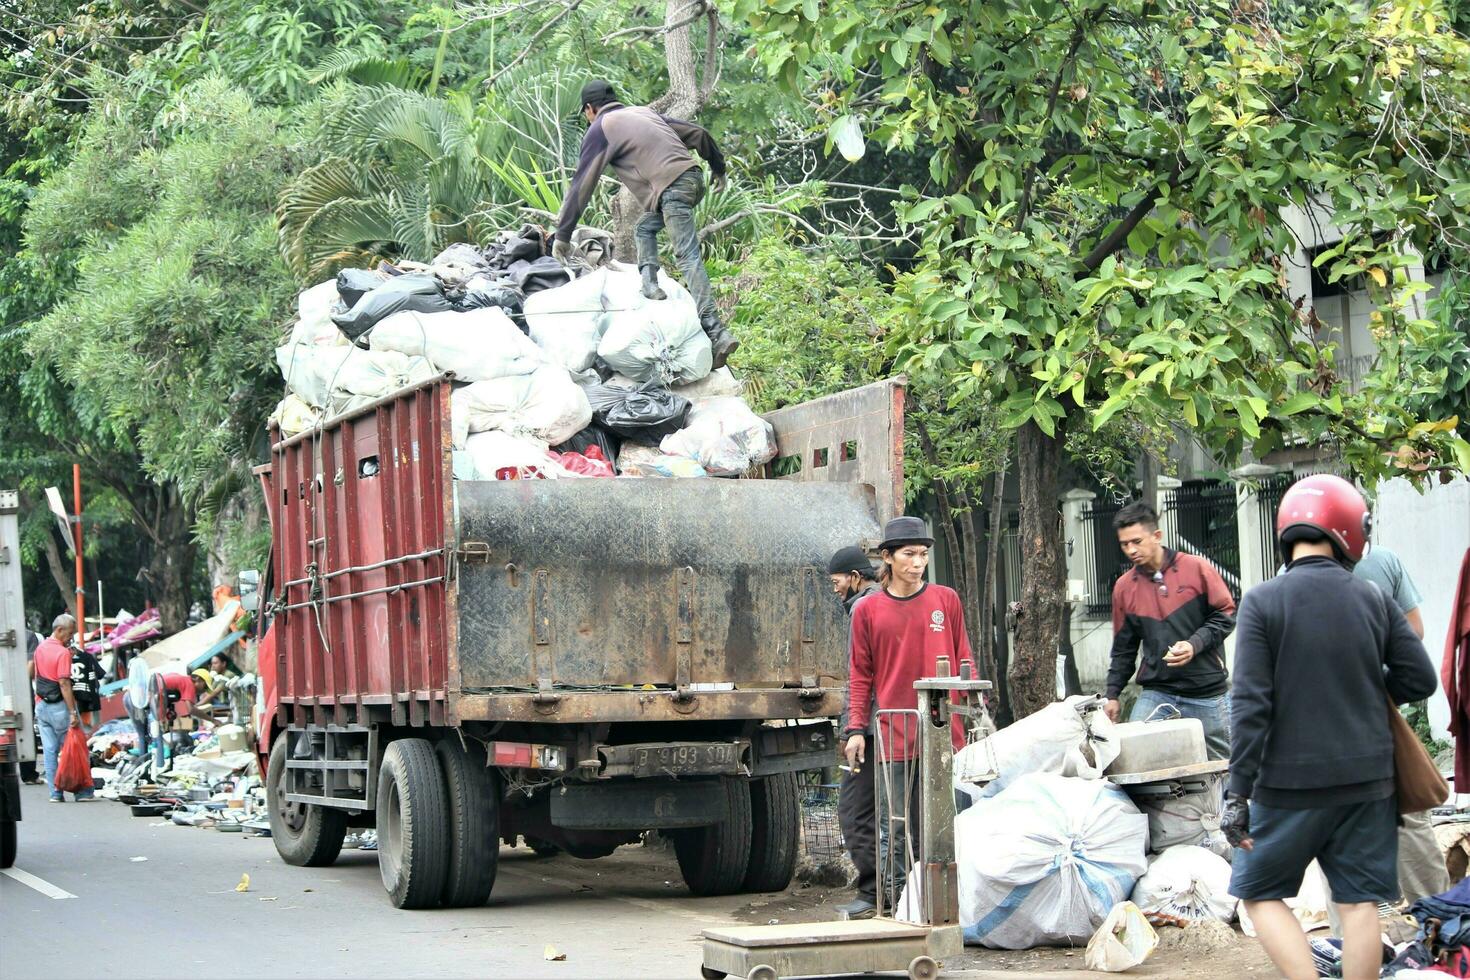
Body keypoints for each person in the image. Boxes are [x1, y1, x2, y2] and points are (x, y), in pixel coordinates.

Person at [1224, 475, 1436, 980]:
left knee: (1258, 894)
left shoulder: (1262, 602)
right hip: (1368, 782)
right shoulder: (1371, 598)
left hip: (1288, 786)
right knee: (1360, 902)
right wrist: (1366, 688)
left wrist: (1238, 791)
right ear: (1350, 530)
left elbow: (1250, 704)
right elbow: (1420, 678)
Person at [551, 79, 738, 368]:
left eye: (586, 113)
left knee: (687, 256)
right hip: (692, 180)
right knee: (645, 228)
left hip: (672, 188)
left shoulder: (601, 128)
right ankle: (650, 286)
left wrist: (562, 234)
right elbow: (698, 133)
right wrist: (719, 168)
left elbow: (581, 185)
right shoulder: (644, 113)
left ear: (590, 109)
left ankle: (716, 330)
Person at [842, 517, 973, 914]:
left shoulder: (945, 600)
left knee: (943, 826)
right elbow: (860, 674)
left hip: (942, 734)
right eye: (909, 555)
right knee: (893, 827)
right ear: (888, 558)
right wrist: (854, 730)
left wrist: (969, 703)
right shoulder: (867, 610)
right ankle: (895, 903)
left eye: (923, 555)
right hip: (893, 731)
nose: (918, 563)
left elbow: (964, 656)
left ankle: (946, 904)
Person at [1349, 545, 1450, 911]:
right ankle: (1443, 927)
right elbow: (1415, 642)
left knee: (1339, 847)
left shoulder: (1285, 581)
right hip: (1379, 717)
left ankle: (1352, 954)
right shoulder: (1380, 563)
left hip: (1320, 729)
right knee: (1408, 820)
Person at [1104, 500, 1237, 760]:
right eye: (1124, 544)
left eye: (1136, 541)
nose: (1130, 550)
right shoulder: (1123, 587)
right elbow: (1123, 650)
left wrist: (1193, 644)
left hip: (1207, 693)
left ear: (1157, 536)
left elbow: (1226, 614)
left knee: (1225, 771)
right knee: (1135, 759)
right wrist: (1112, 695)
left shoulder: (1197, 568)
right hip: (1157, 693)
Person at [827, 545, 881, 919]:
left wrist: (853, 728)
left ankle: (873, 892)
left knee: (854, 811)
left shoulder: (863, 608)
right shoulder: (882, 603)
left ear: (856, 578)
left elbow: (858, 679)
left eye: (837, 581)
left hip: (872, 728)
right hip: (890, 725)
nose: (835, 589)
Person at [28, 614, 93, 802]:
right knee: (73, 749)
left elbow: (35, 673)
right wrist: (72, 712)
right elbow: (64, 683)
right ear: (59, 630)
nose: (70, 638)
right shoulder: (63, 653)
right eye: (69, 633)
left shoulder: (40, 649)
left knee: (49, 750)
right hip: (59, 707)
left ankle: (55, 793)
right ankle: (81, 791)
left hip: (41, 705)